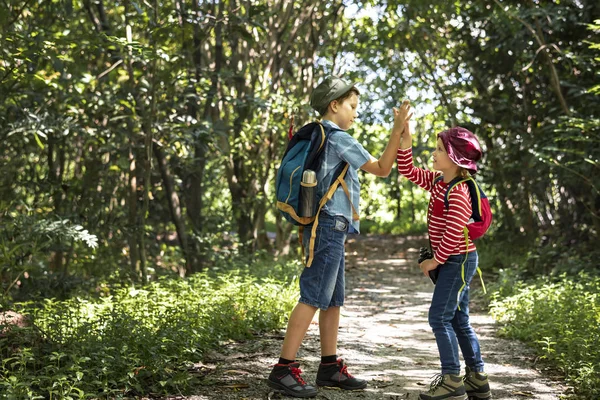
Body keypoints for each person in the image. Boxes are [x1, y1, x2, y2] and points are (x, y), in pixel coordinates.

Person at [267, 76, 412, 398]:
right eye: (352, 106)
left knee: (332, 299)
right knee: (313, 295)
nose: (356, 114)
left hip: (332, 226)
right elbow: (383, 168)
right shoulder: (337, 136)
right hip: (329, 224)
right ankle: (283, 369)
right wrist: (396, 130)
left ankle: (329, 366)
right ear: (334, 106)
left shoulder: (322, 134)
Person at [396, 123, 492, 400]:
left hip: (458, 259)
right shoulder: (439, 182)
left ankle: (451, 380)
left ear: (455, 158)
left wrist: (434, 261)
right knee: (459, 320)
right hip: (455, 259)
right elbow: (408, 170)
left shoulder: (459, 191)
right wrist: (407, 141)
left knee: (439, 317)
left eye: (440, 150)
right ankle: (477, 379)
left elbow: (453, 232)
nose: (434, 154)